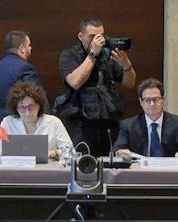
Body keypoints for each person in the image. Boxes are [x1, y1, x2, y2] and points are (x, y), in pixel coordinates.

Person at [55, 17, 137, 156]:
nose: (97, 41)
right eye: (92, 37)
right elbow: (75, 82)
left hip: (108, 123)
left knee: (111, 165)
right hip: (80, 123)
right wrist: (93, 54)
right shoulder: (69, 55)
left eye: (101, 36)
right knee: (82, 166)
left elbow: (129, 83)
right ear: (80, 36)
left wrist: (126, 65)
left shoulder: (107, 55)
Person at [113, 79, 178, 163]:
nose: (152, 104)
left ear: (163, 100)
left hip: (170, 172)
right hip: (140, 173)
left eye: (156, 99)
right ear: (141, 102)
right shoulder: (128, 125)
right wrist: (121, 153)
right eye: (147, 100)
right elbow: (116, 150)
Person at [0, 81, 72, 160]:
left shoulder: (54, 122)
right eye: (22, 108)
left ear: (39, 106)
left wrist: (55, 153)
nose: (27, 113)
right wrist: (5, 152)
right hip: (16, 170)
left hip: (47, 170)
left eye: (31, 107)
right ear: (16, 108)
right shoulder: (8, 122)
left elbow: (71, 152)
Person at [0, 30, 43, 124]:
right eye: (29, 45)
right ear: (22, 49)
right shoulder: (25, 68)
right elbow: (37, 97)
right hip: (15, 126)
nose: (30, 48)